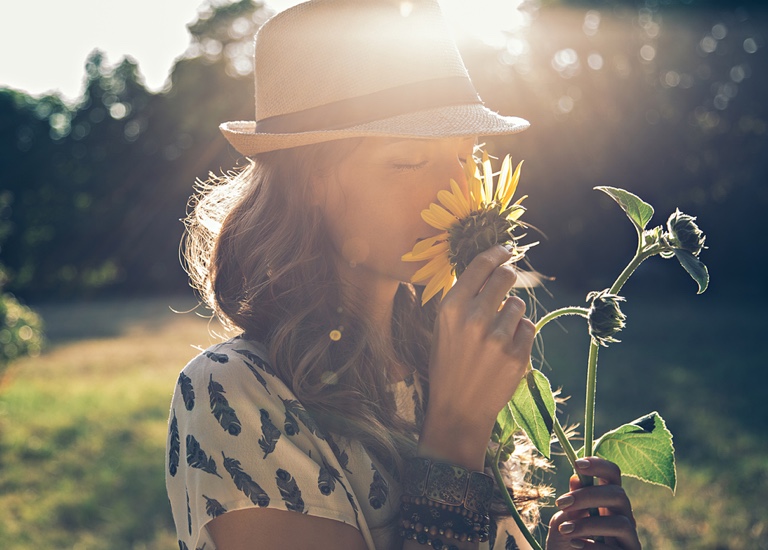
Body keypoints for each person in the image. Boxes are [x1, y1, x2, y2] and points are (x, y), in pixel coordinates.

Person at [165, 1, 642, 549]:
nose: (455, 193)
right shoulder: (235, 393)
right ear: (310, 183)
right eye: (408, 162)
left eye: (466, 157)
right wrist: (458, 430)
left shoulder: (432, 362)